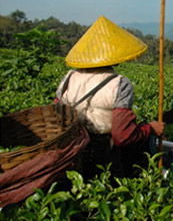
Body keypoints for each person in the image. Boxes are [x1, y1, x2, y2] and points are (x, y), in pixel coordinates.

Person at [55, 16, 164, 178]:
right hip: (103, 153)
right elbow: (122, 136)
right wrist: (150, 129)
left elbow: (57, 115)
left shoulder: (68, 78)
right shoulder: (119, 84)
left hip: (71, 150)